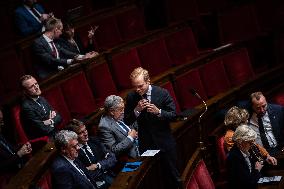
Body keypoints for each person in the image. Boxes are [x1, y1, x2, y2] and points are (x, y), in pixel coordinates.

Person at [124, 67, 181, 188]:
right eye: (135, 86)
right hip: (146, 144)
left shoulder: (162, 93)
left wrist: (158, 112)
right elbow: (127, 120)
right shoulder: (131, 97)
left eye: (140, 86)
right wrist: (136, 110)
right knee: (153, 179)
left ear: (148, 81)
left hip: (164, 142)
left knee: (172, 176)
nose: (137, 90)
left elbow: (173, 115)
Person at [33, 17, 98, 79]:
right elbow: (51, 60)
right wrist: (72, 61)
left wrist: (84, 56)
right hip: (50, 75)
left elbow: (66, 52)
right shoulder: (38, 43)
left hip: (61, 71)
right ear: (56, 30)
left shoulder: (54, 41)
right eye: (61, 30)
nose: (61, 33)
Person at [66, 119, 117, 188]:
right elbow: (86, 175)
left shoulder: (94, 140)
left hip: (111, 175)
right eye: (81, 133)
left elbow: (113, 158)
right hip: (95, 184)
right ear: (74, 137)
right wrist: (105, 163)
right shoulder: (74, 152)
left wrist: (98, 165)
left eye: (85, 130)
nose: (86, 134)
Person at [20, 75, 62, 139]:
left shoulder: (42, 99)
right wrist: (53, 120)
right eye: (31, 86)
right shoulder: (26, 107)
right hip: (45, 140)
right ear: (25, 92)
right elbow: (43, 130)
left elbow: (59, 117)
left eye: (36, 84)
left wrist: (49, 121)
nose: (36, 87)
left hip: (55, 134)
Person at [98, 95, 139, 159]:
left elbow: (133, 124)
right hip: (132, 154)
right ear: (111, 111)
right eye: (120, 109)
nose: (123, 111)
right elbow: (114, 150)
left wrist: (135, 131)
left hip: (141, 142)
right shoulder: (104, 126)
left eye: (123, 108)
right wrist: (130, 137)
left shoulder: (119, 114)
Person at [0, 109, 32, 188]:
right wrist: (19, 154)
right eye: (0, 121)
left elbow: (9, 150)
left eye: (2, 120)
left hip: (21, 172)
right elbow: (1, 167)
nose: (2, 124)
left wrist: (22, 147)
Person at [227, 124, 263, 189]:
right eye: (250, 142)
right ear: (240, 142)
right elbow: (248, 183)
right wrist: (257, 170)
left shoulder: (246, 150)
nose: (252, 145)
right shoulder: (234, 158)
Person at [248, 92, 284, 156]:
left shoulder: (278, 110)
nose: (262, 110)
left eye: (264, 106)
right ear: (252, 107)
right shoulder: (247, 117)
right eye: (258, 108)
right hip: (263, 154)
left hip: (280, 149)